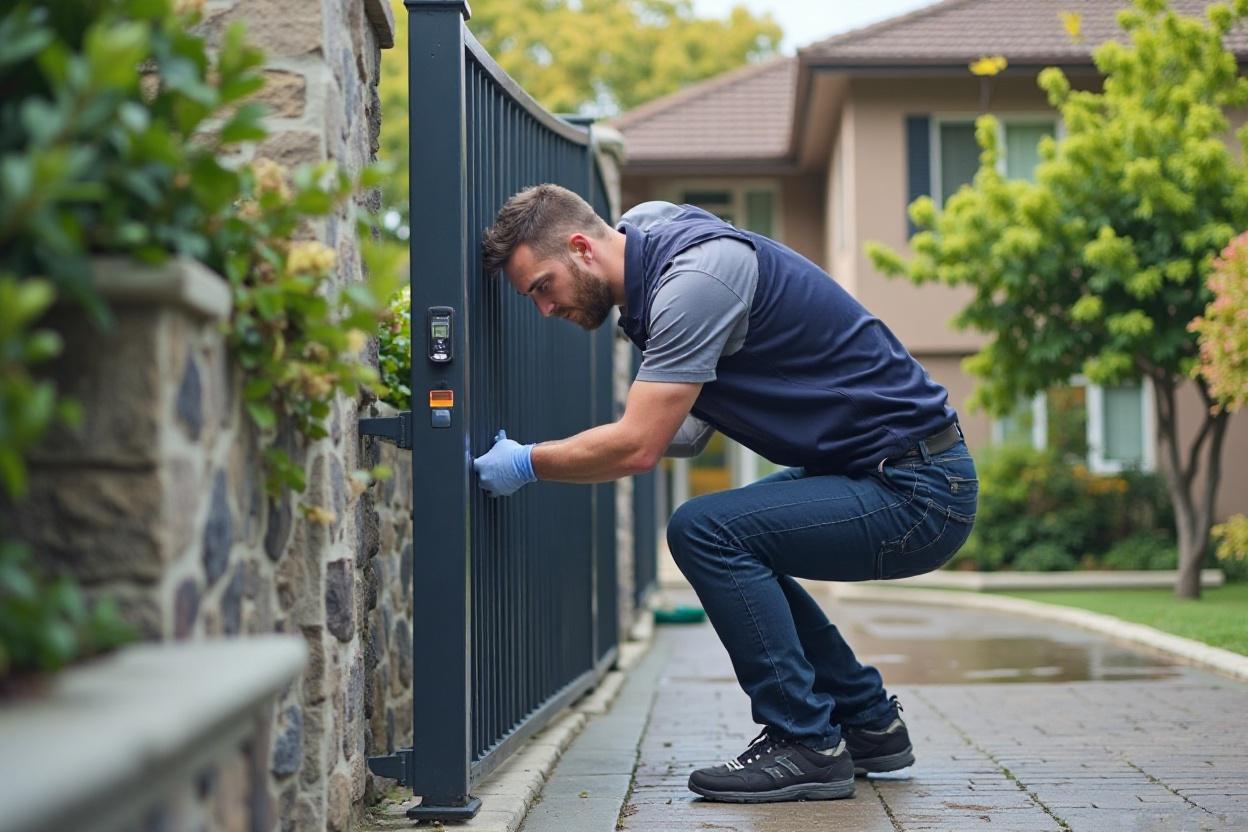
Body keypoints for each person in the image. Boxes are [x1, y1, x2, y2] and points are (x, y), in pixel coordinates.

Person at [472, 184, 978, 804]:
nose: (544, 310)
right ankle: (869, 724)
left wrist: (526, 462)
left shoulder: (692, 282)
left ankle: (806, 743)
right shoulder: (654, 255)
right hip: (882, 470)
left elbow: (641, 446)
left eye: (542, 287)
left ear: (581, 247)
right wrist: (642, 415)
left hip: (918, 490)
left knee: (705, 529)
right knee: (736, 535)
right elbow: (682, 431)